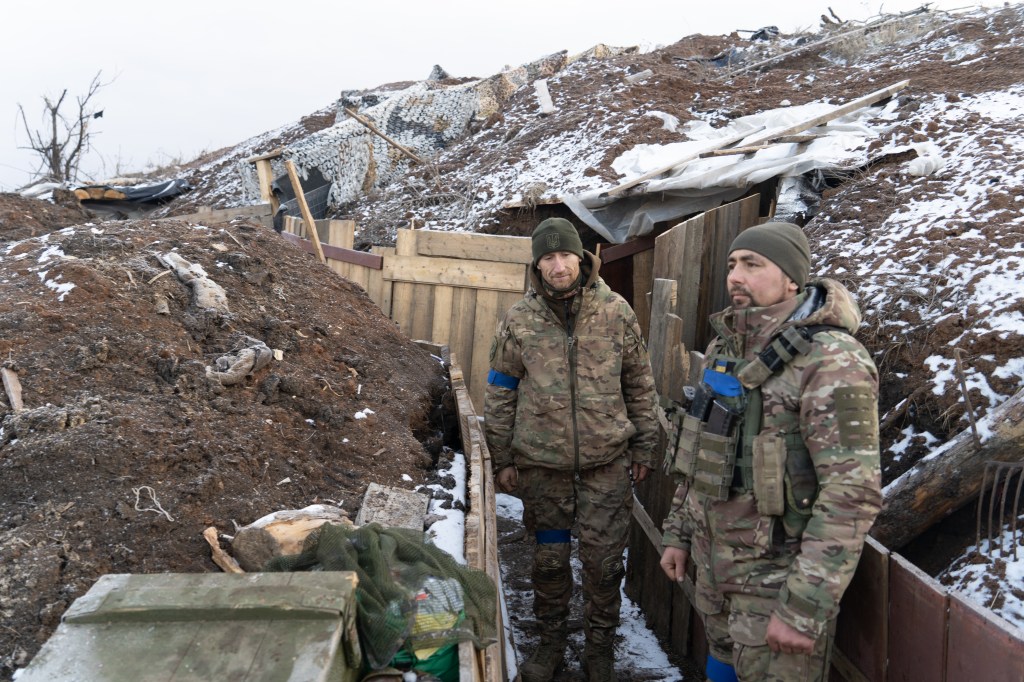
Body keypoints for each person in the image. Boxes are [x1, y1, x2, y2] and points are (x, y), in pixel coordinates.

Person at [658, 222, 882, 682]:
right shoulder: (726, 346)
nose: (736, 276)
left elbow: (851, 494)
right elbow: (700, 452)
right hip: (715, 571)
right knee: (719, 665)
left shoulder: (831, 360)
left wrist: (804, 606)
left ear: (792, 279)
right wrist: (679, 533)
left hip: (777, 587)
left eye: (753, 264)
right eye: (733, 264)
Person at [484, 217, 658, 682]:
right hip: (543, 469)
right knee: (549, 561)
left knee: (603, 566)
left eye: (565, 255)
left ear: (582, 258)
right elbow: (500, 390)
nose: (558, 266)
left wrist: (644, 446)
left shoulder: (616, 311)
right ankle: (551, 644)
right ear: (536, 265)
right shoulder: (519, 319)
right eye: (548, 258)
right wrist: (501, 459)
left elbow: (639, 383)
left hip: (606, 465)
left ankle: (600, 649)